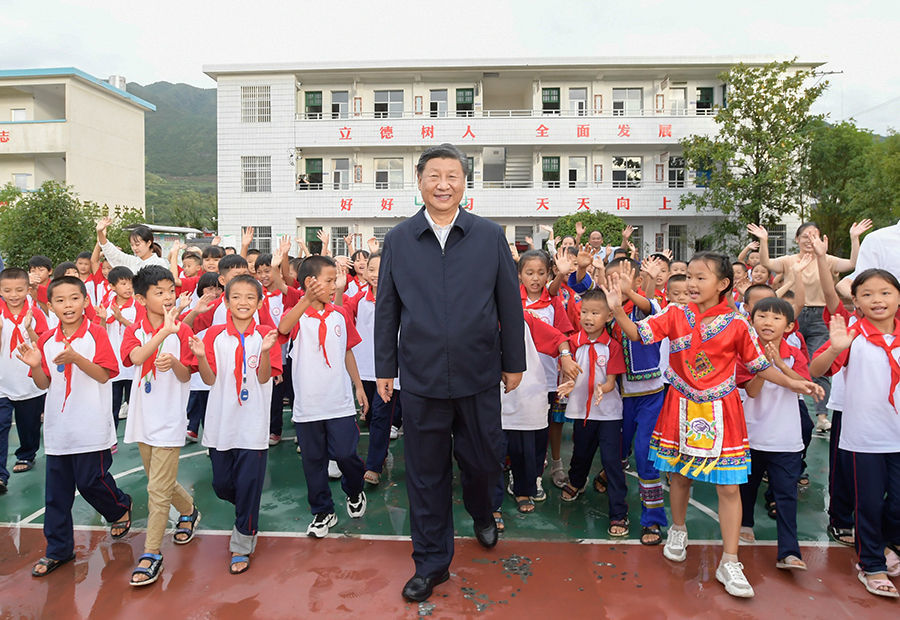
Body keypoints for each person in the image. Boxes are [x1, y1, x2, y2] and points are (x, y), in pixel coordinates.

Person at [607, 251, 822, 598]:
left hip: (722, 411)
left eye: (700, 277)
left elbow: (757, 365)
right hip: (679, 406)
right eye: (689, 276)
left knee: (729, 487)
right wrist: (617, 309)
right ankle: (678, 530)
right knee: (679, 476)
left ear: (723, 284)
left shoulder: (737, 323)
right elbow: (638, 335)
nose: (691, 283)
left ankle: (730, 560)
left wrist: (792, 381)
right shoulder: (674, 314)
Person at [374, 143, 525, 603]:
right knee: (425, 473)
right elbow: (387, 308)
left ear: (465, 182)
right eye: (434, 176)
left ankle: (482, 510)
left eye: (452, 176)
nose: (443, 184)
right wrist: (385, 367)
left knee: (482, 460)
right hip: (420, 379)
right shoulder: (400, 239)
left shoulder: (487, 235)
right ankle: (431, 563)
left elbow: (508, 302)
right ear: (419, 182)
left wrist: (513, 360)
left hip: (479, 374)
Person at [15, 276, 132, 577]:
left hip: (91, 426)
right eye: (61, 300)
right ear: (50, 305)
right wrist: (37, 364)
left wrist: (77, 358)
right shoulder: (46, 340)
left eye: (74, 298)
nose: (68, 305)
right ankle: (58, 549)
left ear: (84, 301)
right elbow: (44, 384)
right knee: (56, 494)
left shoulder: (96, 334)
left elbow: (105, 375)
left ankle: (119, 507)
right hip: (59, 429)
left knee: (91, 481)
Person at [810, 268, 900, 598]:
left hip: (898, 436)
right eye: (868, 294)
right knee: (870, 505)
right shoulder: (852, 335)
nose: (878, 299)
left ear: (898, 297)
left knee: (897, 505)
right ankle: (872, 564)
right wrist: (835, 348)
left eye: (886, 292)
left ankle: (888, 545)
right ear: (857, 302)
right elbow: (815, 370)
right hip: (865, 438)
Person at [189, 274, 282, 574]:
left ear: (259, 301)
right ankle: (245, 509)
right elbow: (209, 379)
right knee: (222, 484)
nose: (243, 302)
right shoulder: (213, 335)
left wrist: (265, 352)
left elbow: (265, 377)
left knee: (249, 485)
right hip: (220, 424)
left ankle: (242, 541)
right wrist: (202, 357)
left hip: (253, 426)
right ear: (226, 301)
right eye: (236, 297)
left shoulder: (267, 335)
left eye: (250, 297)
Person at [748, 220, 872, 431]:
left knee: (819, 365)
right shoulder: (789, 261)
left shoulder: (827, 260)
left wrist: (854, 238)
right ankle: (786, 407)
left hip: (821, 315)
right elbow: (767, 263)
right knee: (779, 360)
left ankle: (822, 415)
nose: (809, 240)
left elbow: (852, 263)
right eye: (805, 236)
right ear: (797, 239)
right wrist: (764, 240)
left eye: (814, 235)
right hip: (790, 315)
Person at [277, 255, 369, 538]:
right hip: (308, 407)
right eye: (329, 281)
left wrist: (358, 385)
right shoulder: (297, 315)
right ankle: (322, 511)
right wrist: (305, 299)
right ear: (310, 282)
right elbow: (282, 328)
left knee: (345, 454)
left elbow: (347, 350)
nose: (334, 286)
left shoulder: (339, 314)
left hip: (339, 402)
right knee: (313, 462)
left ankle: (354, 489)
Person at [121, 266, 199, 586]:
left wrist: (175, 361)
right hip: (143, 417)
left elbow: (186, 375)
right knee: (157, 480)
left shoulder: (182, 330)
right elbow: (136, 357)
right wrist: (162, 334)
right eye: (159, 292)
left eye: (170, 290)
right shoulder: (137, 329)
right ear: (141, 298)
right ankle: (189, 511)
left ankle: (152, 552)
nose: (168, 297)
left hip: (169, 418)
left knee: (156, 490)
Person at [736, 298, 810, 571]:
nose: (768, 322)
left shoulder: (794, 353)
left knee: (786, 494)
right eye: (762, 316)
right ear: (751, 319)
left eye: (776, 318)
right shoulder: (744, 351)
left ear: (789, 325)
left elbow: (803, 387)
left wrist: (779, 362)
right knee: (748, 486)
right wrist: (763, 367)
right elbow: (752, 391)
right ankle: (745, 524)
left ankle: (789, 551)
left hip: (786, 437)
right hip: (751, 433)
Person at [604, 258, 668, 545]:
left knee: (645, 456)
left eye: (623, 279)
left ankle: (652, 520)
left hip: (650, 396)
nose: (617, 284)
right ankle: (615, 494)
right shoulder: (604, 312)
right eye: (612, 279)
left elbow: (648, 306)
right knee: (616, 451)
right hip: (617, 397)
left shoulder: (646, 310)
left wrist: (629, 295)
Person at [557, 288, 629, 537]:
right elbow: (570, 371)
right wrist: (568, 382)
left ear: (609, 316)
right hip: (581, 412)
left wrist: (603, 388)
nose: (588, 317)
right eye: (584, 312)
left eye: (595, 313)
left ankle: (619, 512)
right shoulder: (573, 344)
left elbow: (611, 382)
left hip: (608, 413)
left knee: (611, 462)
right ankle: (576, 482)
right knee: (581, 452)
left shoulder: (613, 347)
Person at [518, 249, 574, 494]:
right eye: (529, 273)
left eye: (541, 273)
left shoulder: (553, 303)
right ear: (519, 275)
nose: (535, 278)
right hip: (519, 376)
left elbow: (564, 335)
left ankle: (551, 464)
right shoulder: (511, 300)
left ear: (548, 274)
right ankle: (521, 471)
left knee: (549, 423)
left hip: (548, 377)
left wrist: (566, 364)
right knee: (520, 427)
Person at [343, 251, 401, 486]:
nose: (376, 275)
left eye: (381, 269)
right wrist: (338, 289)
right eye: (371, 269)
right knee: (365, 415)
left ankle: (374, 465)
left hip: (389, 371)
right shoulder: (357, 299)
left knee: (380, 416)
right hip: (363, 368)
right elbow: (340, 316)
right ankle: (353, 460)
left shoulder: (400, 299)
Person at [0, 267, 49, 486]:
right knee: (1, 425)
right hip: (2, 379)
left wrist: (29, 329)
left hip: (28, 379)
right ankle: (1, 474)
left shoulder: (35, 312)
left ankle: (26, 454)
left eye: (19, 290)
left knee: (28, 424)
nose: (13, 295)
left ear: (27, 289)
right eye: (7, 290)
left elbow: (44, 344)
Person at [97, 266, 141, 437]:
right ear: (112, 287)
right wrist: (102, 318)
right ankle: (111, 438)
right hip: (114, 364)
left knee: (136, 403)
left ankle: (139, 436)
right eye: (123, 283)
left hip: (132, 363)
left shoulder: (137, 306)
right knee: (112, 405)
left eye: (130, 283)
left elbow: (140, 330)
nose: (128, 287)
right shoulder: (106, 307)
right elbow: (99, 333)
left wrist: (121, 319)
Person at [184, 272, 223, 443]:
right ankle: (193, 428)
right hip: (198, 358)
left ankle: (211, 436)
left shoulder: (224, 306)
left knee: (212, 402)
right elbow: (185, 327)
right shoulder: (195, 307)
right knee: (197, 397)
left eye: (218, 288)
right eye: (209, 288)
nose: (214, 292)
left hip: (216, 360)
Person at [96, 218, 169, 272]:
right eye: (132, 245)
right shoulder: (131, 261)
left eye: (137, 244)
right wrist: (100, 233)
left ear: (148, 243)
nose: (134, 248)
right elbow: (112, 253)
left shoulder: (159, 263)